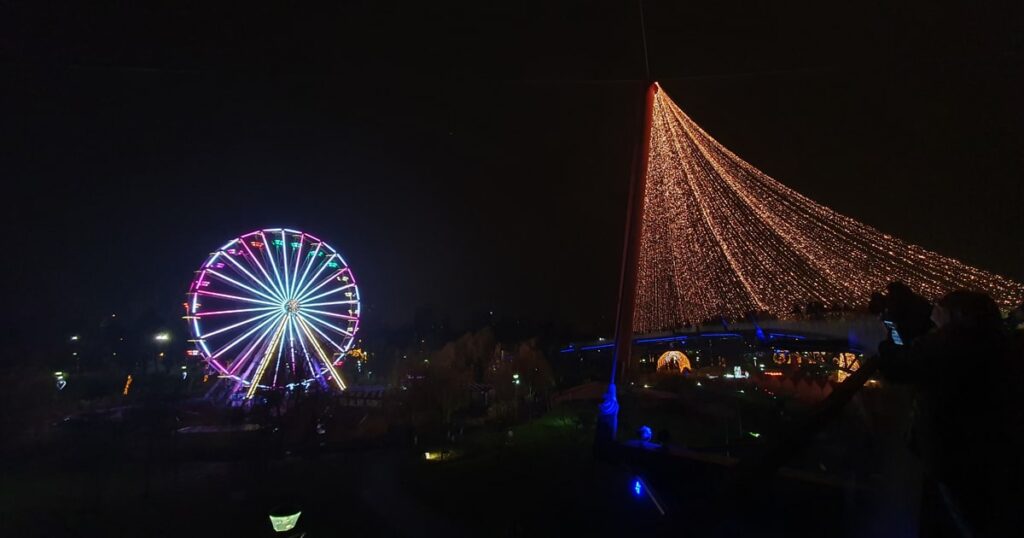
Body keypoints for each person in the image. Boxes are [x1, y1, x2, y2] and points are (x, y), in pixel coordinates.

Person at [878, 289, 1022, 536]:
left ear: (955, 315)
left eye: (940, 312)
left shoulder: (949, 344)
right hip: (990, 451)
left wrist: (884, 344)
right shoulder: (1001, 342)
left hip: (953, 452)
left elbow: (899, 368)